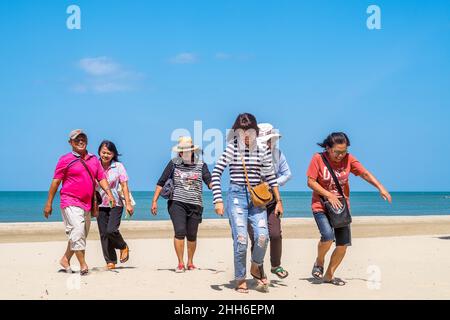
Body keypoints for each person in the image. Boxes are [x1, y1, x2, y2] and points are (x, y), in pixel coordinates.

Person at [306, 132, 392, 286]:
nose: (340, 155)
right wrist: (329, 195)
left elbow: (364, 173)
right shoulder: (318, 158)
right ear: (328, 148)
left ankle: (329, 275)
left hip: (341, 208)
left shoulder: (349, 159)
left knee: (342, 244)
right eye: (337, 152)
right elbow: (311, 182)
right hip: (321, 205)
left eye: (343, 152)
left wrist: (380, 187)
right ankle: (319, 261)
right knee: (327, 237)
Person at [212, 113, 284, 294]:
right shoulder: (231, 149)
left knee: (262, 237)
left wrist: (278, 201)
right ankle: (240, 278)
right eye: (242, 133)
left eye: (250, 132)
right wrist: (218, 200)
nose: (246, 136)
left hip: (256, 199)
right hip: (236, 197)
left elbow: (271, 177)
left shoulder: (262, 150)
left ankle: (256, 265)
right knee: (242, 239)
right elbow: (216, 174)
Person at [44, 129, 116, 275]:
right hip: (69, 200)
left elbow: (101, 178)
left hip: (87, 203)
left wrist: (109, 194)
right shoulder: (65, 159)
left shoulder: (94, 159)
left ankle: (65, 259)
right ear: (70, 142)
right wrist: (49, 203)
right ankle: (83, 265)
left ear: (87, 141)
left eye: (83, 138)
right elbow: (56, 182)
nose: (80, 141)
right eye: (77, 139)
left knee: (81, 233)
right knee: (77, 232)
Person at [151, 137, 212, 273]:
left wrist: (214, 189)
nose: (184, 153)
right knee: (180, 231)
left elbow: (208, 179)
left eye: (187, 151)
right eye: (182, 151)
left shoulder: (201, 164)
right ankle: (180, 263)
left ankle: (190, 262)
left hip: (195, 203)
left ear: (192, 151)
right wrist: (154, 201)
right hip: (177, 202)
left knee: (192, 234)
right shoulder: (174, 163)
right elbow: (161, 181)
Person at [248, 123, 292, 279]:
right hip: (252, 201)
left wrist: (271, 185)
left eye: (272, 140)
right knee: (257, 237)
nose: (270, 143)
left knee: (274, 234)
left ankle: (275, 265)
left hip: (272, 199)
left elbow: (287, 174)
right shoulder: (248, 155)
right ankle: (258, 271)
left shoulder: (278, 154)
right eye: (267, 140)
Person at [97, 140, 134, 270]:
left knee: (111, 230)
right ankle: (110, 261)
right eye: (103, 152)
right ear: (99, 152)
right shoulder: (95, 165)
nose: (105, 155)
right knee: (103, 234)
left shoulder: (118, 166)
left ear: (113, 154)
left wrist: (128, 203)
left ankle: (123, 246)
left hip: (116, 203)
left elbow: (124, 185)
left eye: (109, 153)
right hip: (100, 204)